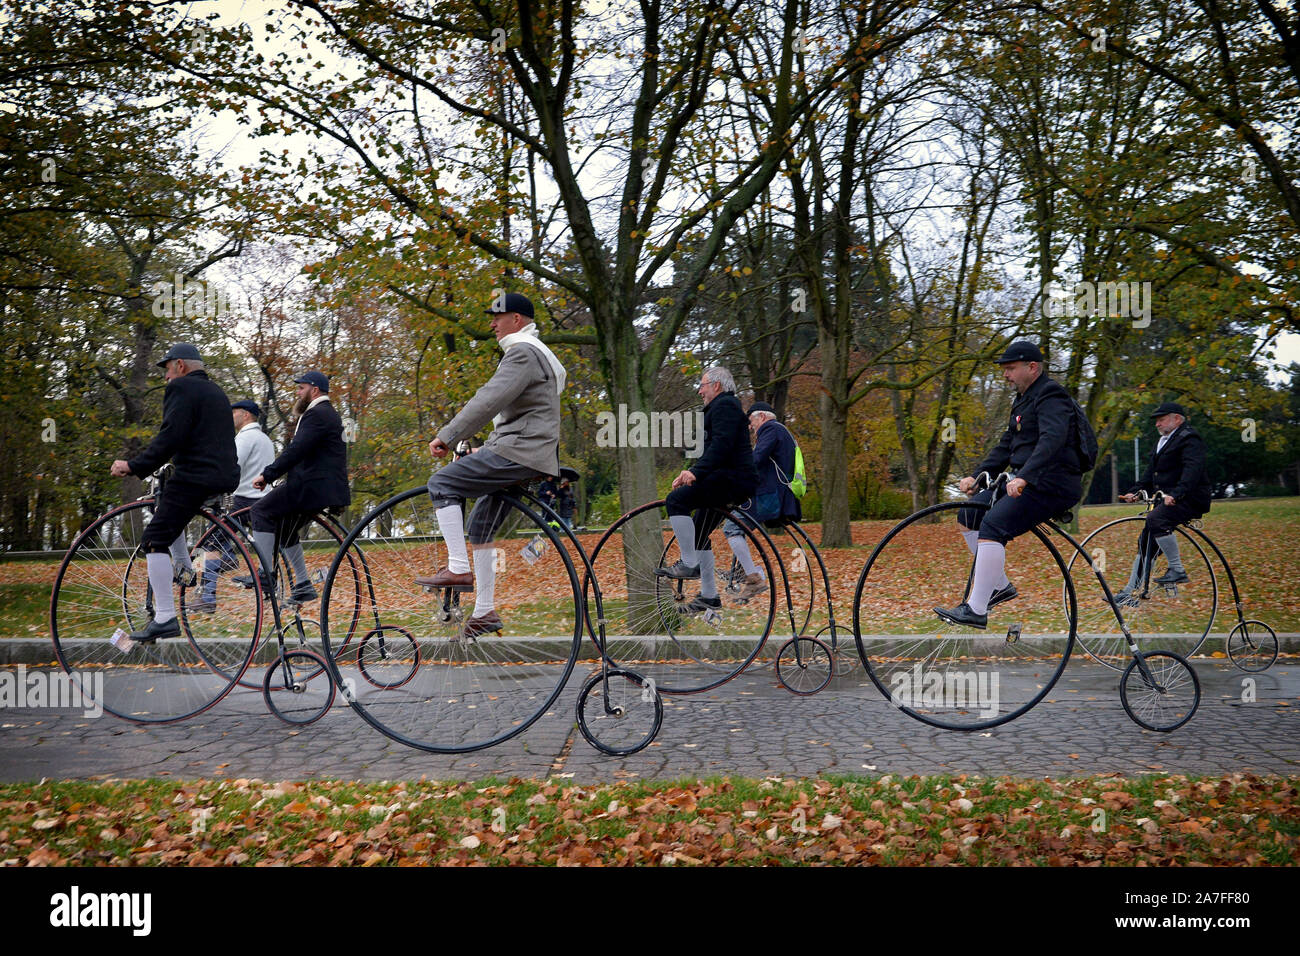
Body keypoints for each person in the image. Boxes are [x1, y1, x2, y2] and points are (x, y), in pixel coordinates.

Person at [416, 292, 566, 640]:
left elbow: (488, 399)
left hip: (521, 452)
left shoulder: (523, 352)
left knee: (442, 484)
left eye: (499, 317)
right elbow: (523, 416)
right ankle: (484, 611)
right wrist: (481, 448)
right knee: (480, 526)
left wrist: (449, 436)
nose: (492, 324)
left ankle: (457, 569)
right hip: (526, 451)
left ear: (517, 320)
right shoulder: (537, 355)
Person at [935, 341, 1086, 628]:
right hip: (1024, 482)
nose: (1006, 375)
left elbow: (1051, 441)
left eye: (1010, 368)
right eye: (1004, 369)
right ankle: (999, 586)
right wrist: (978, 475)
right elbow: (1007, 445)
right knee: (969, 515)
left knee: (993, 525)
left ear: (1032, 367)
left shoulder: (1051, 395)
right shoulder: (1023, 399)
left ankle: (976, 609)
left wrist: (1024, 476)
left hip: (1051, 485)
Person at [108, 343, 239, 641]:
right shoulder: (218, 393)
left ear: (180, 365)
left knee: (153, 539)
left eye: (167, 370)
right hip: (224, 476)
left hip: (195, 478)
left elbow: (171, 436)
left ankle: (166, 616)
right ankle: (184, 567)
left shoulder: (181, 389)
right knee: (168, 510)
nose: (166, 378)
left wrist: (133, 465)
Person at [237, 371, 351, 604]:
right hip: (323, 488)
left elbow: (297, 450)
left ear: (314, 390)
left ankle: (265, 574)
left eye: (301, 388)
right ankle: (303, 584)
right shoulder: (330, 414)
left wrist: (267, 475)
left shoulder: (316, 414)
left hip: (310, 487)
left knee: (259, 510)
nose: (297, 393)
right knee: (285, 529)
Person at [655, 366, 759, 615]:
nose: (700, 391)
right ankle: (709, 597)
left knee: (676, 501)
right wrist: (693, 471)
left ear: (717, 386)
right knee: (699, 532)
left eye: (702, 385)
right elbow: (713, 450)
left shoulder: (724, 406)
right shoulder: (726, 407)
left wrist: (696, 473)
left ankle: (690, 564)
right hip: (729, 479)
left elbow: (721, 446)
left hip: (730, 480)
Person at [1113, 402, 1212, 600]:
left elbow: (1193, 471)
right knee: (1146, 542)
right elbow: (1150, 476)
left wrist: (1177, 494)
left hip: (1189, 499)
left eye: (1162, 419)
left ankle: (1177, 569)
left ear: (1177, 419)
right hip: (1168, 501)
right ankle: (1130, 591)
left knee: (1156, 519)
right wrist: (1135, 493)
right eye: (1156, 421)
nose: (1157, 424)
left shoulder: (1189, 438)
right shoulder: (1163, 442)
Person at [196, 399, 275, 612]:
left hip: (243, 500)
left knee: (211, 542)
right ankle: (229, 557)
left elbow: (230, 467)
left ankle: (208, 596)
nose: (231, 417)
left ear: (246, 415)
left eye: (235, 413)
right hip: (262, 500)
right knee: (220, 536)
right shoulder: (265, 439)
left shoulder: (245, 438)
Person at [723, 400, 802, 602]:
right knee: (738, 522)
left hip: (770, 497)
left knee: (732, 527)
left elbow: (754, 460)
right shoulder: (781, 432)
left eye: (751, 421)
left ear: (762, 417)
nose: (750, 426)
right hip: (774, 495)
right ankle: (744, 571)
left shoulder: (770, 429)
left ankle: (753, 577)